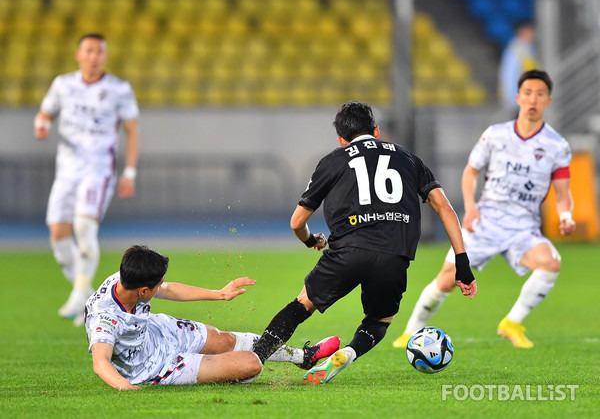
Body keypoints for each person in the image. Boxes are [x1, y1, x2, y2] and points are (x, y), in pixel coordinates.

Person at [251, 101, 477, 385]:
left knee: (302, 305)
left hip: (348, 250)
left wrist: (311, 240)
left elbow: (297, 222)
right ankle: (349, 352)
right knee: (379, 321)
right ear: (377, 131)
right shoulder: (409, 159)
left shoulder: (333, 160)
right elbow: (445, 208)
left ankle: (254, 359)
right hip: (395, 255)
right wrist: (462, 263)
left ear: (341, 139)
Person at [392, 69, 575, 350]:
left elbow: (563, 194)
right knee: (446, 279)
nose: (533, 99)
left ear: (548, 100)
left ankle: (512, 322)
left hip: (523, 228)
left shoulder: (557, 146)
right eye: (528, 93)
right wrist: (471, 207)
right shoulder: (496, 134)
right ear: (518, 97)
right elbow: (470, 171)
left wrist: (565, 216)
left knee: (551, 262)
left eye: (540, 94)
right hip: (485, 221)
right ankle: (410, 333)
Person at [85, 245, 341, 390]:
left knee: (225, 340)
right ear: (143, 291)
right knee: (250, 365)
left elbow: (168, 288)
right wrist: (124, 386)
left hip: (160, 332)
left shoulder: (125, 279)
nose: (161, 286)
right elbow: (100, 363)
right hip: (156, 366)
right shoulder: (105, 320)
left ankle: (303, 358)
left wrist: (218, 294)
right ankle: (255, 361)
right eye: (156, 285)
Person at [34, 33, 140, 326]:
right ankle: (85, 293)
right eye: (89, 51)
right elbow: (45, 113)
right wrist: (41, 124)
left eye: (99, 52)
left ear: (105, 56)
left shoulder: (118, 89)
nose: (94, 56)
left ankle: (80, 292)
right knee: (58, 234)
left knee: (84, 226)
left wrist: (129, 171)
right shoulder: (63, 85)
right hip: (67, 170)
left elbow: (131, 130)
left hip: (98, 169)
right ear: (78, 54)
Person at [498, 21, 538, 112]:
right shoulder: (515, 51)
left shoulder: (529, 50)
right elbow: (509, 75)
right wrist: (512, 98)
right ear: (521, 32)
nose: (533, 34)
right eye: (530, 31)